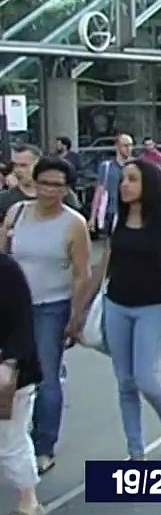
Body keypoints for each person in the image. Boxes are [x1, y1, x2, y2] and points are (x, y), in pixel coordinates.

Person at [86, 160, 161, 460]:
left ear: (149, 184)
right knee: (125, 382)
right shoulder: (117, 219)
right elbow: (104, 265)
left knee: (146, 378)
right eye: (123, 179)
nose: (124, 184)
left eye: (132, 179)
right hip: (116, 304)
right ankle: (135, 452)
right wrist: (79, 311)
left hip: (153, 307)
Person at [0, 157, 92, 475]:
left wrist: (75, 316)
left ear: (67, 189)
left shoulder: (73, 223)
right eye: (44, 183)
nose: (49, 191)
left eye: (57, 185)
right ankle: (15, 438)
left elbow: (82, 273)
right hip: (13, 307)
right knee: (13, 373)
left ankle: (43, 446)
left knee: (46, 374)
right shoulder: (17, 213)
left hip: (50, 306)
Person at [0, 253, 45, 515]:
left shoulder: (5, 270)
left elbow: (22, 326)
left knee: (10, 438)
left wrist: (8, 362)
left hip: (10, 371)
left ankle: (29, 503)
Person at [0, 145, 81, 219]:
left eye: (23, 165)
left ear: (38, 165)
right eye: (15, 165)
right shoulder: (4, 199)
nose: (17, 170)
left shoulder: (61, 194)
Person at [90, 134, 134, 238]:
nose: (129, 149)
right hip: (112, 211)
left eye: (131, 145)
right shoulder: (106, 167)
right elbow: (99, 191)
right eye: (125, 146)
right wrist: (93, 216)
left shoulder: (136, 165)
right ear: (117, 146)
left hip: (131, 212)